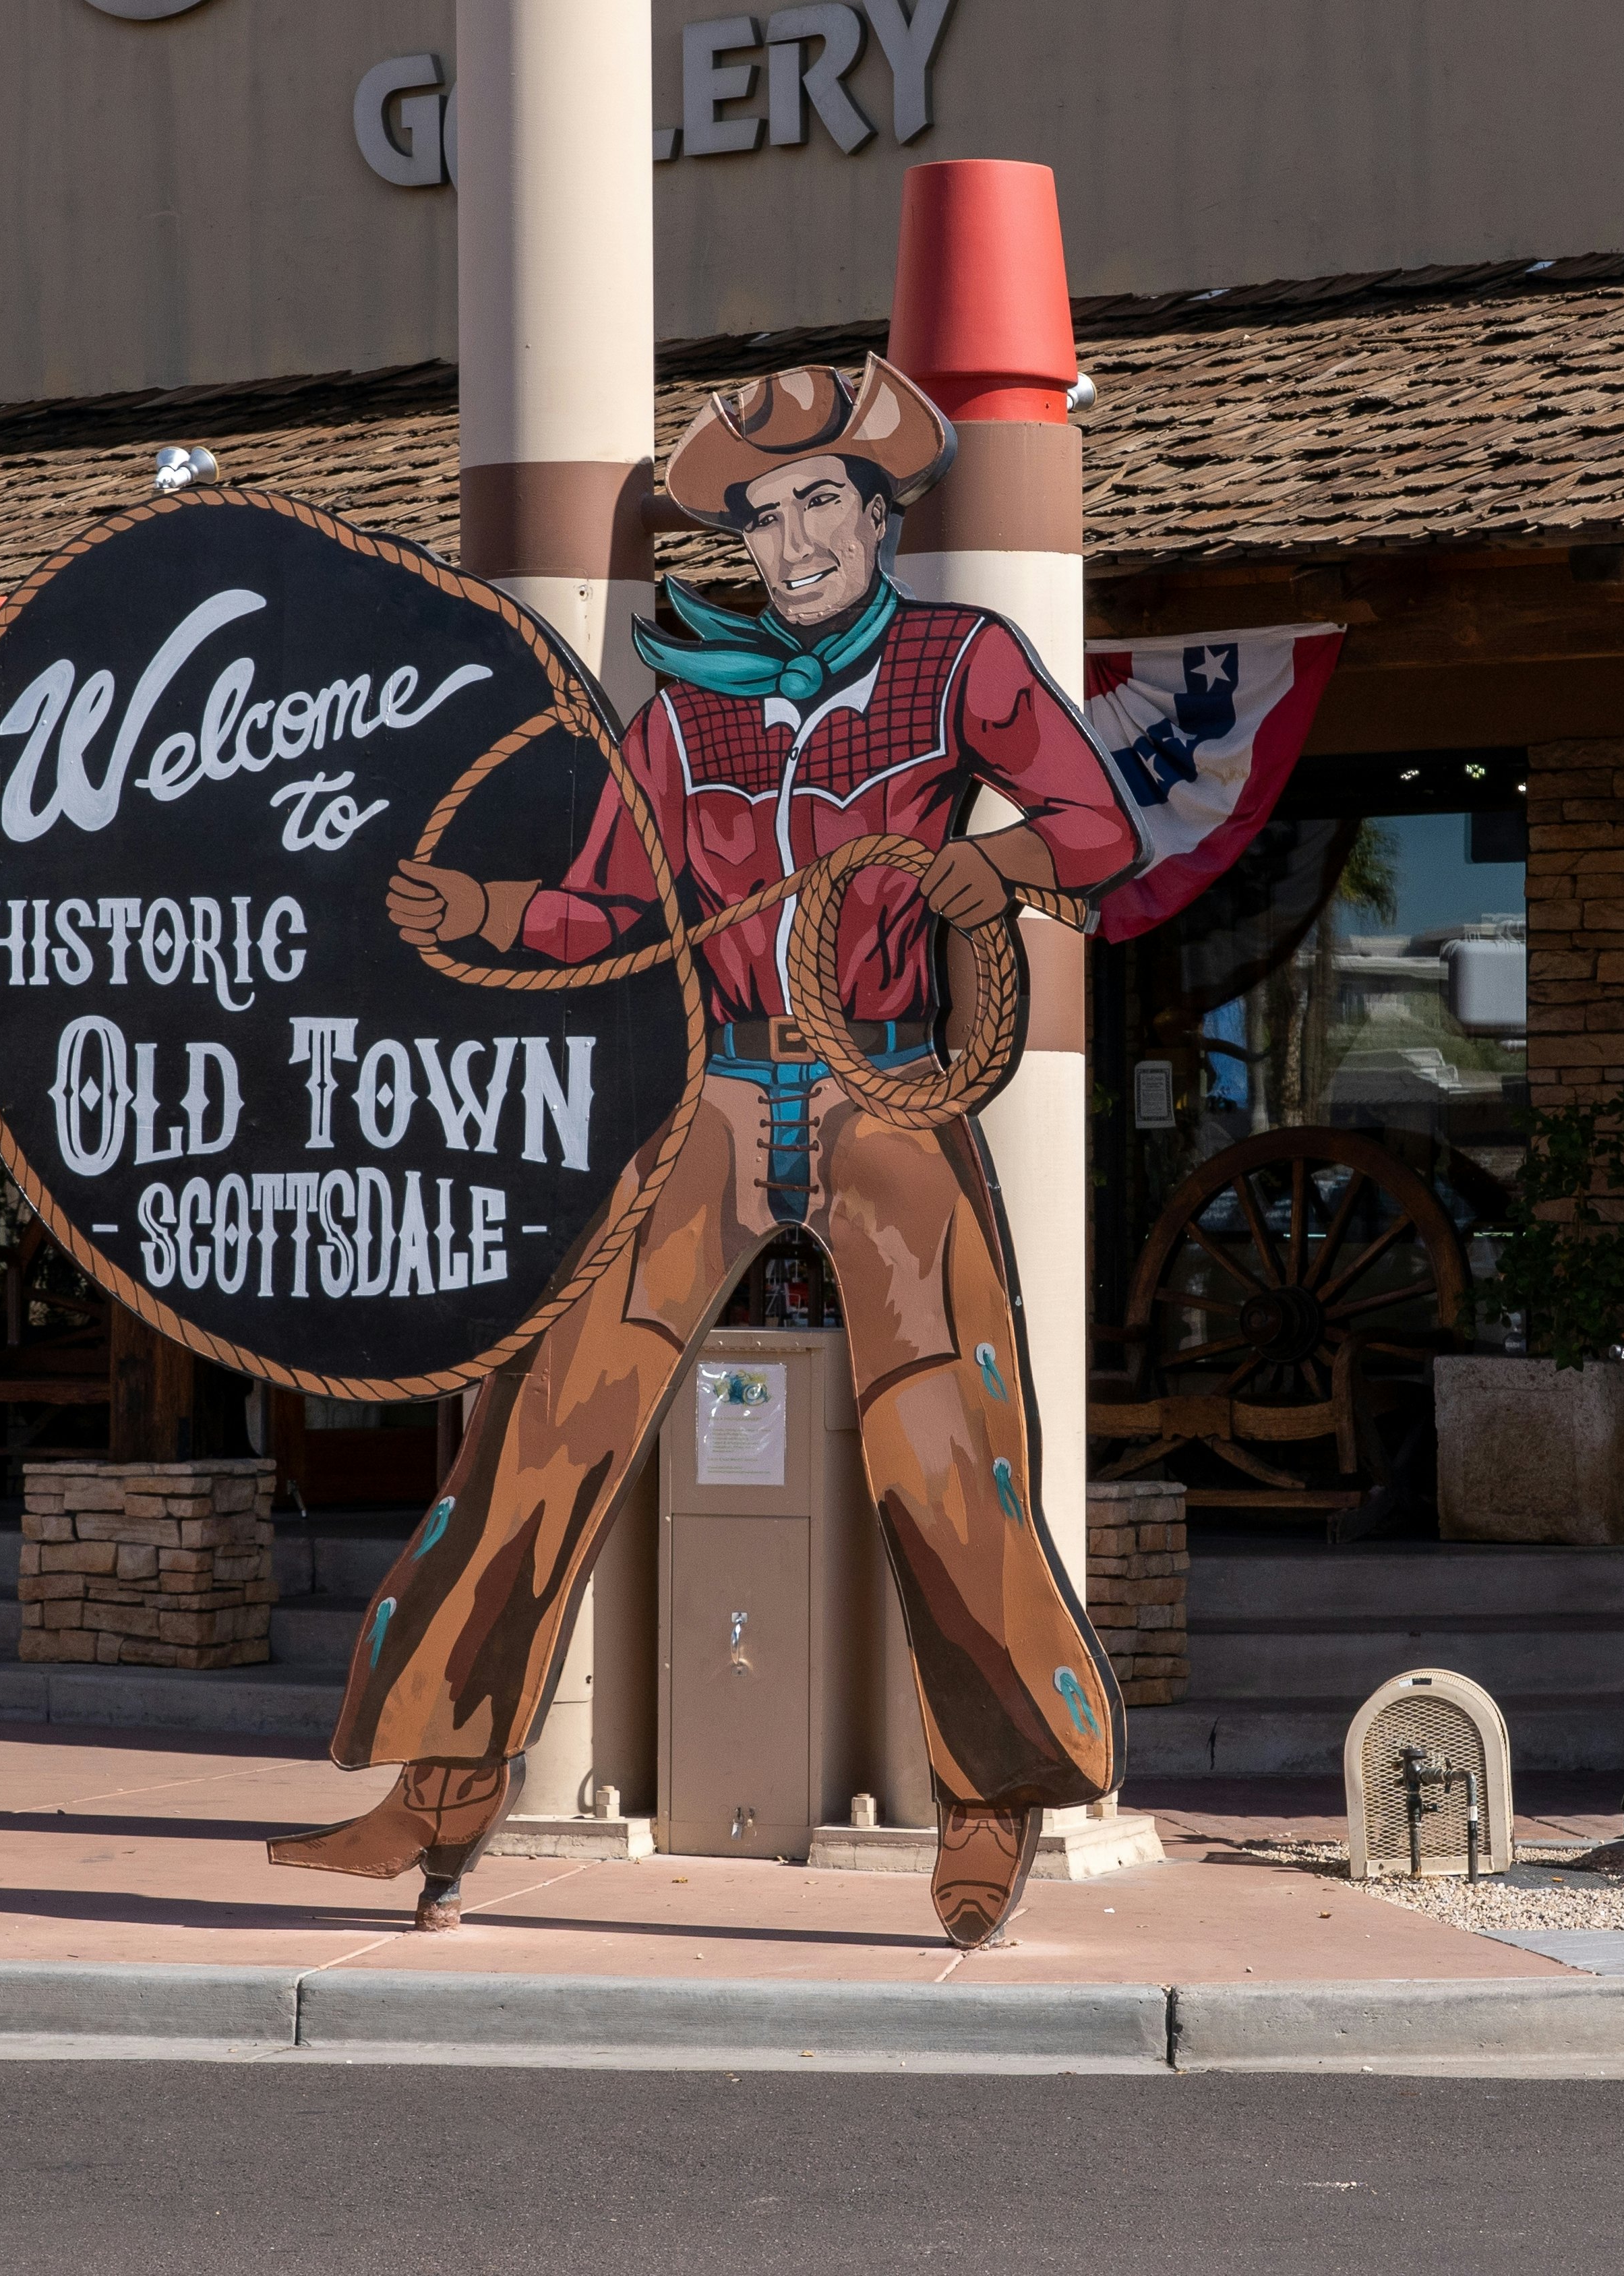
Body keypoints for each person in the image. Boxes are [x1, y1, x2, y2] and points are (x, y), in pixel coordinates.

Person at [271, 354, 1142, 1949]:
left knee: (945, 1437)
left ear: (879, 514)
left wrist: (984, 863)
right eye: (765, 514)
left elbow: (1097, 826)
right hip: (721, 1092)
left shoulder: (962, 666)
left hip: (888, 1087)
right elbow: (613, 910)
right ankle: (443, 1786)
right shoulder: (689, 711)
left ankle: (991, 1805)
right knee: (546, 1413)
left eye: (822, 502)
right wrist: (482, 913)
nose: (794, 538)